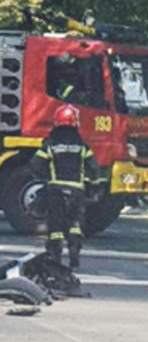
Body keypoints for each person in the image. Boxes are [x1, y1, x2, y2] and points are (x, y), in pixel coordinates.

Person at [30, 104, 97, 268]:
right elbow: (93, 167)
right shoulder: (82, 146)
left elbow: (36, 164)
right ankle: (74, 251)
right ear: (75, 123)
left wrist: (44, 177)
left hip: (56, 190)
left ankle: (55, 256)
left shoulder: (50, 145)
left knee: (55, 224)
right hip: (77, 191)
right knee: (75, 222)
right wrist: (92, 184)